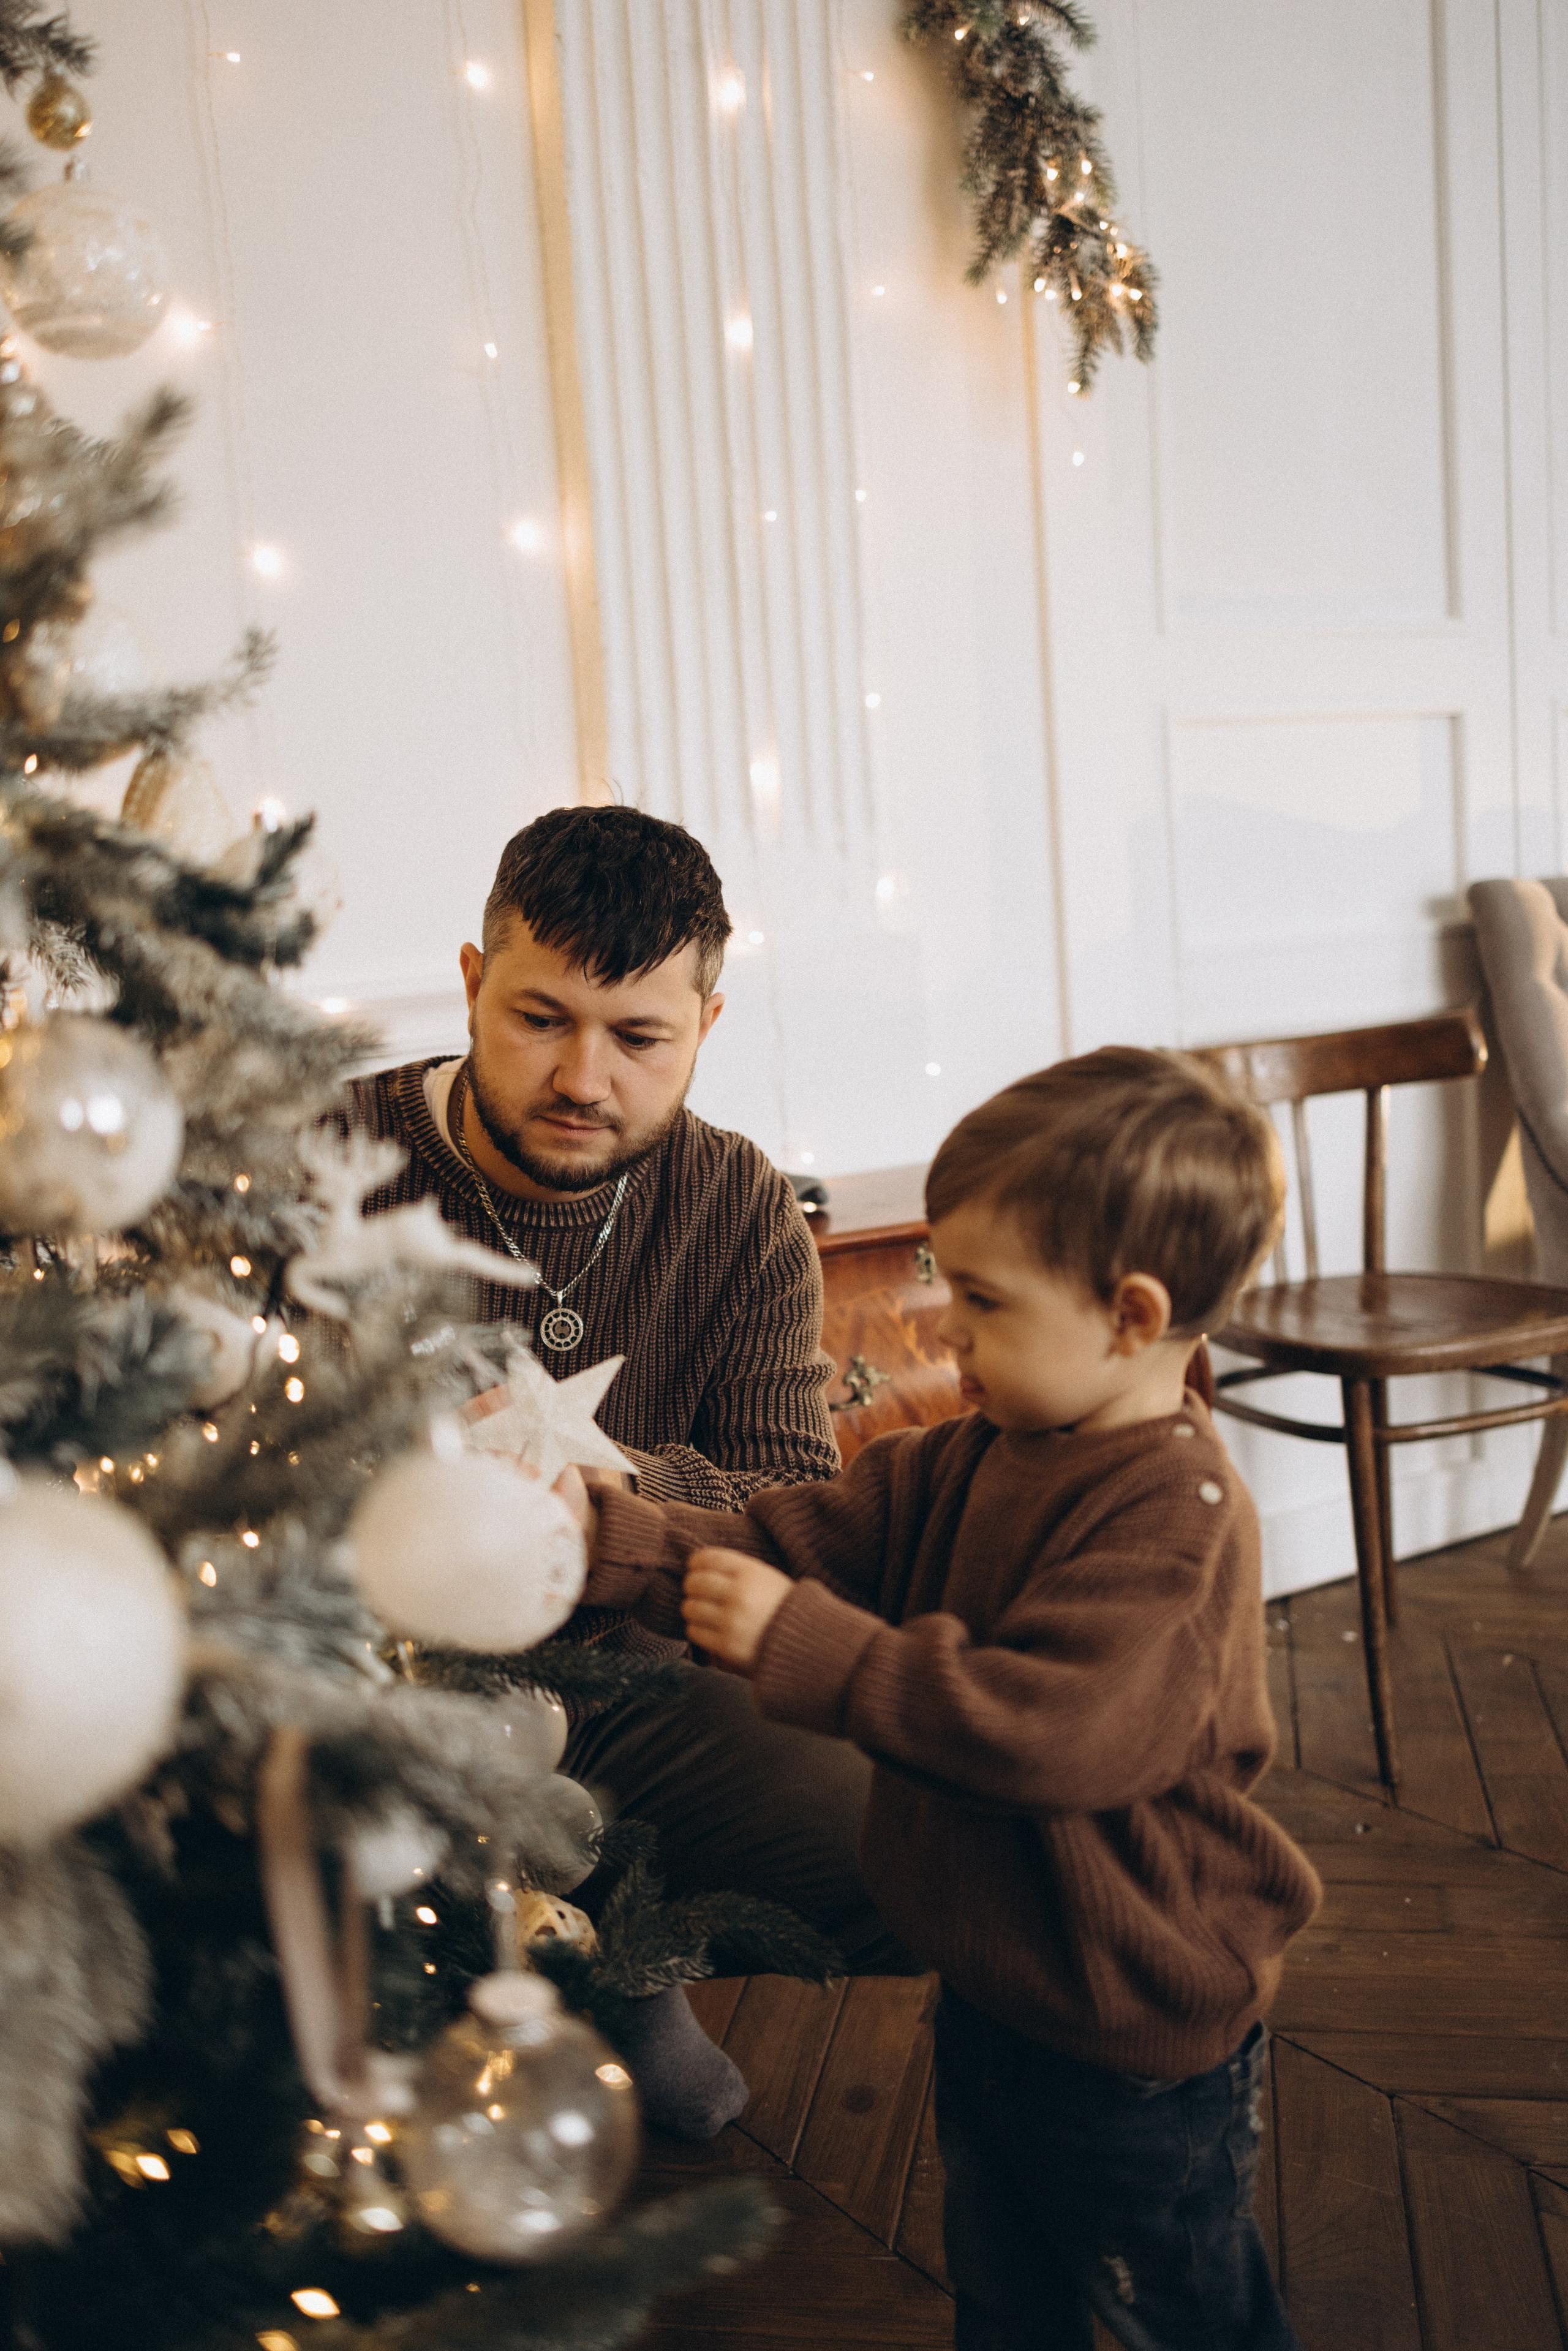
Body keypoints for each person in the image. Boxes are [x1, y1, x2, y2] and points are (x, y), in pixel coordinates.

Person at [567, 1047, 1321, 2349]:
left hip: (1130, 2023)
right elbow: (792, 1534)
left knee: (1172, 2308)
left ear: (1130, 1316)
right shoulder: (975, 1452)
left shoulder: (1175, 1512)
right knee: (1004, 2277)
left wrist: (808, 1644)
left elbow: (1050, 1728)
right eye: (941, 1284)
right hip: (997, 1985)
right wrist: (619, 1538)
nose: (943, 1331)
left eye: (980, 1299)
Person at [342, 806, 909, 2139]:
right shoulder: (323, 1163)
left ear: (706, 1025)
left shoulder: (738, 1204)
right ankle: (536, 1983)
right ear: (474, 984)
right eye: (541, 1018)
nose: (583, 1077)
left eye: (639, 1036)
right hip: (366, 1700)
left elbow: (786, 1512)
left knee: (912, 1850)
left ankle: (614, 1951)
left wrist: (588, 1472)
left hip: (630, 1679)